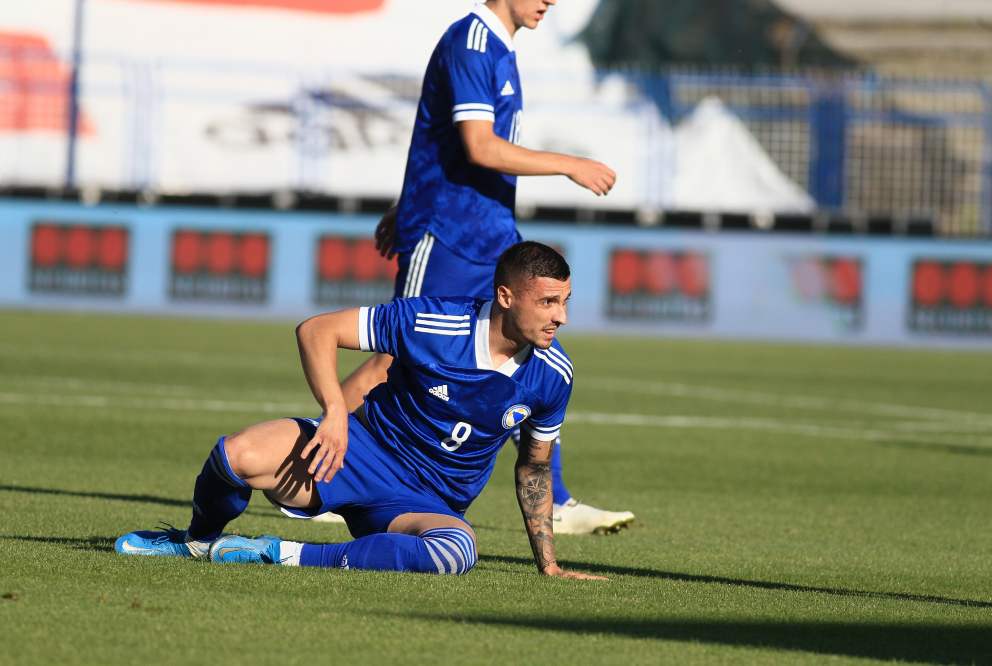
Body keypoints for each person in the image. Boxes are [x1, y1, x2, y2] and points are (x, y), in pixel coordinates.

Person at [115, 242, 606, 579]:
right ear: (505, 296)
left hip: (424, 503)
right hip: (355, 454)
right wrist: (334, 413)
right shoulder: (432, 322)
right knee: (235, 455)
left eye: (565, 301)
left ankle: (279, 554)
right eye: (548, 302)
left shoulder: (553, 374)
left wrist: (548, 564)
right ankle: (196, 541)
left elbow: (534, 468)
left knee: (456, 551)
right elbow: (317, 330)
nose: (561, 316)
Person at [328, 0, 633, 535]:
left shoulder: (500, 48)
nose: (551, 1)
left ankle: (556, 503)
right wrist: (569, 164)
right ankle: (321, 466)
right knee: (393, 357)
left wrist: (408, 202)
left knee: (531, 355)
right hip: (448, 236)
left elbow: (441, 145)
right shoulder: (470, 42)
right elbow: (478, 146)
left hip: (490, 235)